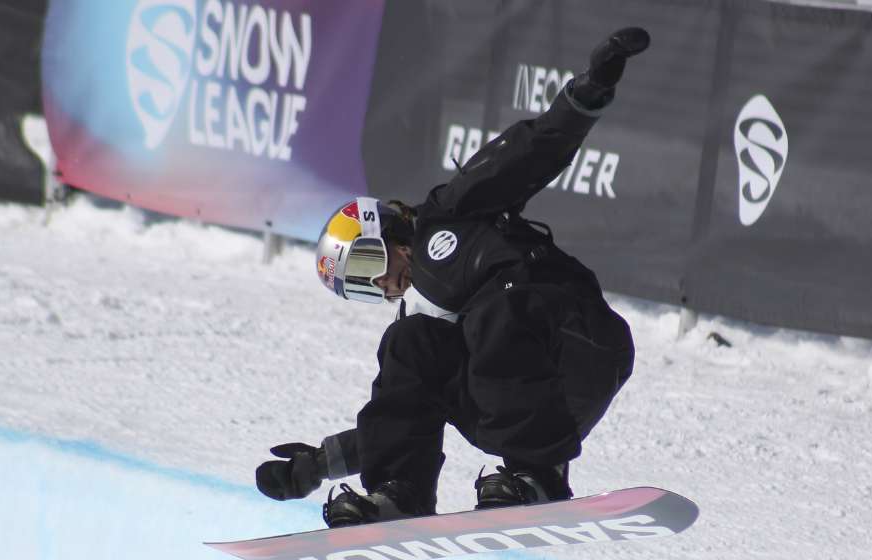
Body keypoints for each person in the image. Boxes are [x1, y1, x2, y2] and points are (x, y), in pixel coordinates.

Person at [255, 27, 649, 528]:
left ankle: (540, 475)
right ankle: (402, 494)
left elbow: (529, 153)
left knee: (496, 311)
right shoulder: (417, 313)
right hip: (513, 398)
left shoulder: (453, 214)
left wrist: (588, 93)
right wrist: (317, 465)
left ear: (390, 234)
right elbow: (404, 414)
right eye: (357, 287)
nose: (377, 285)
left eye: (367, 266)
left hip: (580, 344)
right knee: (409, 343)